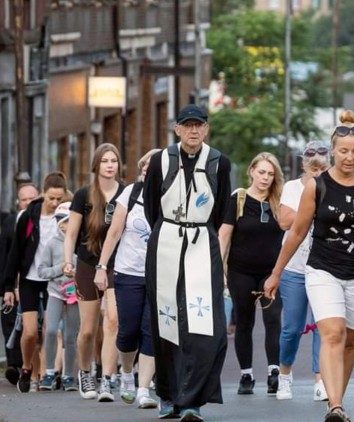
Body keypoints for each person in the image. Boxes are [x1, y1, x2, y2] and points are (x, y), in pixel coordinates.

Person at [263, 110, 354, 422]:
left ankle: (337, 398)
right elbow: (296, 231)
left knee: (350, 340)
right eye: (343, 151)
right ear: (333, 150)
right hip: (322, 269)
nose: (349, 158)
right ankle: (335, 406)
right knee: (332, 332)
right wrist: (276, 272)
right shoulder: (317, 186)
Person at [143, 104, 231, 421]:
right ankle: (168, 394)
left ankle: (192, 397)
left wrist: (197, 228)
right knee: (166, 319)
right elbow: (151, 205)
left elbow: (221, 210)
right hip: (166, 240)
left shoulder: (219, 162)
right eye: (187, 125)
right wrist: (168, 230)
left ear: (206, 129)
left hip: (201, 243)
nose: (193, 131)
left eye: (199, 125)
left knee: (204, 323)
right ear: (177, 129)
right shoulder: (160, 160)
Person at [94, 148, 161, 409]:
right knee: (128, 330)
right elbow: (114, 232)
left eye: (153, 167)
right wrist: (102, 266)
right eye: (145, 166)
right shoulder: (131, 193)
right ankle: (125, 373)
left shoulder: (170, 196)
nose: (147, 170)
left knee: (150, 330)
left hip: (158, 274)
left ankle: (143, 388)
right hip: (127, 272)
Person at [218, 152, 285, 396]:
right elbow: (224, 235)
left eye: (270, 174)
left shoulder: (281, 200)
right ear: (252, 171)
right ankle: (246, 374)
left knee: (273, 320)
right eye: (261, 172)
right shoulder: (239, 198)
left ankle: (274, 372)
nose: (265, 178)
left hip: (271, 272)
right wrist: (218, 269)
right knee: (244, 322)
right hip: (241, 271)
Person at [62, 143, 124, 401]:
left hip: (117, 265)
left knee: (113, 321)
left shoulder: (126, 193)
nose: (110, 165)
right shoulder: (83, 195)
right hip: (87, 264)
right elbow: (72, 232)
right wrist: (68, 261)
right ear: (96, 165)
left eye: (114, 161)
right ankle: (86, 371)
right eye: (106, 161)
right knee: (88, 329)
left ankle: (108, 379)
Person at [273, 141, 331, 401]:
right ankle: (285, 375)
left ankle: (320, 379)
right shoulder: (292, 187)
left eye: (322, 166)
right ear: (304, 164)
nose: (317, 171)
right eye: (313, 166)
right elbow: (285, 220)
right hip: (295, 269)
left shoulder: (333, 187)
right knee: (292, 327)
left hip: (324, 267)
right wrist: (313, 212)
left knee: (323, 326)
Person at [3, 172, 68, 393]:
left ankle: (48, 372)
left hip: (55, 281)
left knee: (50, 330)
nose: (55, 203)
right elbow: (15, 253)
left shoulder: (67, 215)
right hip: (30, 279)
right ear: (43, 193)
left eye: (59, 198)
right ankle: (27, 367)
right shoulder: (28, 217)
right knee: (30, 332)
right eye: (51, 198)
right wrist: (9, 286)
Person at [0, 183, 39, 385]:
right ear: (18, 202)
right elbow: (2, 255)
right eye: (24, 199)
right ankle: (13, 365)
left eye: (32, 199)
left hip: (36, 282)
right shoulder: (12, 222)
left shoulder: (44, 221)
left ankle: (29, 365)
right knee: (10, 322)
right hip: (13, 283)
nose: (28, 203)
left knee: (31, 327)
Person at [38, 201, 80, 392]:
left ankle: (69, 375)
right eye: (62, 222)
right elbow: (42, 271)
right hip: (55, 292)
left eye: (69, 222)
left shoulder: (81, 244)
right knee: (51, 330)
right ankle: (49, 372)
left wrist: (75, 273)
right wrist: (60, 268)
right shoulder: (51, 244)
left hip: (75, 295)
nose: (66, 226)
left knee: (71, 336)